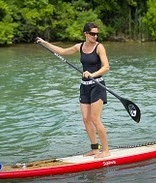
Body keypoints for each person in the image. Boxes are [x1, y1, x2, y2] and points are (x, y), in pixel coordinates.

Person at [36, 22, 110, 158]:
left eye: (97, 34)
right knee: (86, 119)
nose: (95, 36)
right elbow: (62, 51)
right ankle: (95, 149)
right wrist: (44, 43)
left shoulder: (99, 47)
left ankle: (106, 150)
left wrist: (92, 74)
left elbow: (106, 67)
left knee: (95, 118)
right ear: (86, 34)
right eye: (93, 34)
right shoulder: (79, 46)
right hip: (84, 86)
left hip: (97, 85)